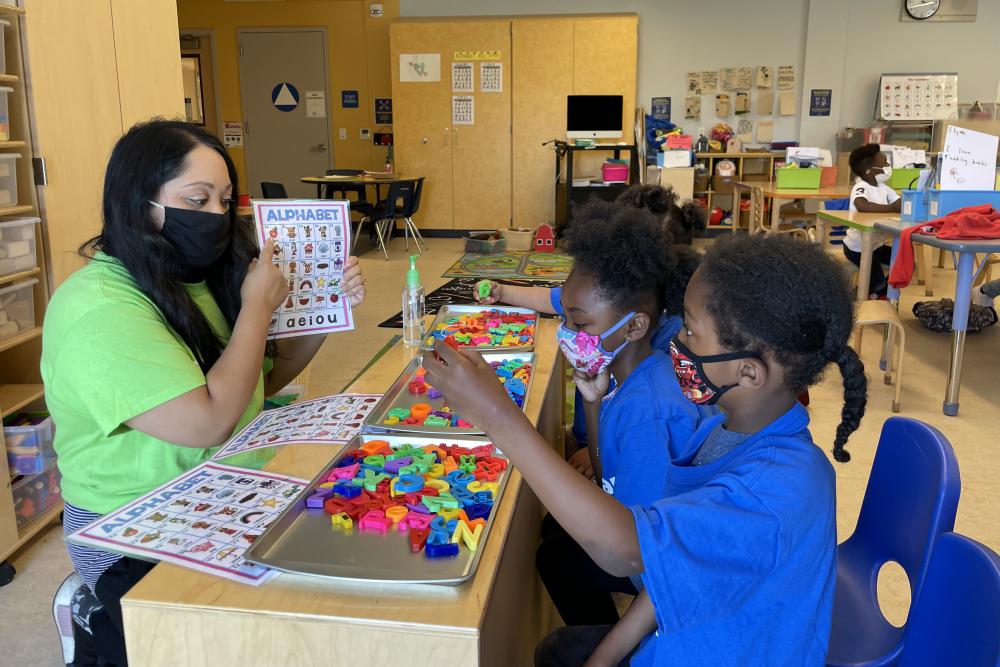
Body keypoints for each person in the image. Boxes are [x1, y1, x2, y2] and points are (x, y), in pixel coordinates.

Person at [423, 234, 867, 666]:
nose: (675, 342)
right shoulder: (724, 429)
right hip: (683, 631)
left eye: (691, 331)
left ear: (748, 372)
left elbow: (627, 551)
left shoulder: (778, 489)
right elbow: (671, 565)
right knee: (559, 649)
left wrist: (497, 415)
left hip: (713, 646)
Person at [40, 119, 367, 665]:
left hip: (226, 491)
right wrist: (259, 308)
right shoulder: (99, 309)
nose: (216, 215)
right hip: (132, 519)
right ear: (140, 204)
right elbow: (208, 421)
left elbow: (255, 385)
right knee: (202, 641)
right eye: (197, 198)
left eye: (224, 200)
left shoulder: (200, 276)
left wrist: (326, 311)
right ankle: (91, 612)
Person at [535, 201, 699, 627]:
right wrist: (592, 401)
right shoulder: (620, 375)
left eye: (582, 324)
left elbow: (635, 541)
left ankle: (617, 643)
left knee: (555, 556)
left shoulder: (649, 408)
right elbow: (608, 474)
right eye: (565, 319)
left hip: (655, 565)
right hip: (632, 518)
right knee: (554, 527)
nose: (570, 334)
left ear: (633, 327)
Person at [844, 144, 900, 298]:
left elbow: (899, 202)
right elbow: (862, 205)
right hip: (858, 248)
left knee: (905, 264)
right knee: (877, 282)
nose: (888, 167)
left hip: (877, 246)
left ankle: (877, 294)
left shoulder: (883, 187)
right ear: (869, 170)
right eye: (885, 163)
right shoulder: (861, 186)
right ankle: (858, 296)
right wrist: (891, 208)